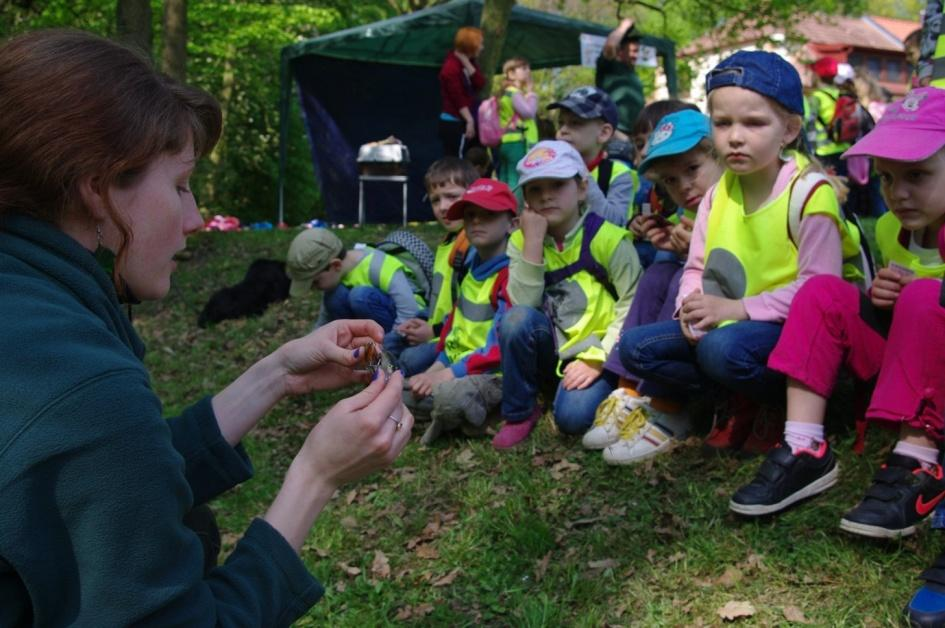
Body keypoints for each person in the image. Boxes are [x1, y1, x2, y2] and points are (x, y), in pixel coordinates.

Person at [0, 29, 414, 625]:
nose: (196, 219)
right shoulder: (81, 387)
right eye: (179, 185)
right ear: (97, 188)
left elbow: (107, 490)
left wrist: (276, 375)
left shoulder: (29, 322)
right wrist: (316, 474)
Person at [618, 50, 856, 460]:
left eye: (754, 122)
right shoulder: (718, 193)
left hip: (796, 331)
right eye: (723, 123)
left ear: (789, 129)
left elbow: (821, 293)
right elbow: (695, 267)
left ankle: (778, 405)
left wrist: (737, 308)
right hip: (733, 319)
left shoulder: (809, 195)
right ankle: (733, 398)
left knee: (721, 350)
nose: (735, 136)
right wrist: (688, 309)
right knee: (636, 348)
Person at [729, 88, 945, 526]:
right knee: (822, 291)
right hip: (909, 367)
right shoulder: (888, 228)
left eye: (917, 176)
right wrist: (885, 299)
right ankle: (805, 444)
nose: (898, 193)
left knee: (924, 296)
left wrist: (922, 294)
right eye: (887, 178)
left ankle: (920, 462)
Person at [585, 110, 724, 464]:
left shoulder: (737, 202)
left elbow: (736, 273)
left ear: (719, 156)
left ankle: (666, 407)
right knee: (658, 274)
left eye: (692, 170)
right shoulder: (692, 213)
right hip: (707, 324)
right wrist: (674, 246)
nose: (683, 187)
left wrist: (695, 251)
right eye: (671, 181)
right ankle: (630, 393)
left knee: (675, 276)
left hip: (732, 326)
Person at [492, 140, 641, 449]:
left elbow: (632, 304)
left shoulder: (608, 239)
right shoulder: (521, 240)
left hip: (598, 350)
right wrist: (533, 242)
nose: (546, 195)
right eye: (535, 189)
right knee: (515, 318)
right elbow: (522, 308)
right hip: (551, 348)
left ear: (582, 188)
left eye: (557, 185)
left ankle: (593, 387)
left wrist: (597, 358)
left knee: (572, 420)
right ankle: (520, 412)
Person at [405, 179, 517, 444]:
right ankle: (450, 415)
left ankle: (483, 416)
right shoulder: (470, 266)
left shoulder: (511, 275)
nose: (476, 221)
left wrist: (444, 375)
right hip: (455, 368)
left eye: (488, 214)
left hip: (491, 376)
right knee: (396, 389)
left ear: (512, 224)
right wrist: (435, 369)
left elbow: (500, 348)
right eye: (470, 215)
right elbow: (453, 330)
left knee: (448, 399)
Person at [389, 157, 476, 375]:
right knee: (389, 338)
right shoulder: (447, 242)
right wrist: (420, 319)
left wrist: (433, 330)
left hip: (454, 339)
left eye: (452, 197)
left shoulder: (475, 246)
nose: (444, 207)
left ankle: (382, 379)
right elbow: (440, 299)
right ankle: (366, 370)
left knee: (409, 359)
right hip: (435, 330)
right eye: (436, 200)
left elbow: (471, 309)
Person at [286, 227, 426, 333]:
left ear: (336, 265)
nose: (314, 288)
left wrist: (390, 345)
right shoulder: (336, 277)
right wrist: (311, 344)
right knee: (334, 297)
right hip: (373, 323)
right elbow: (325, 319)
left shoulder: (377, 266)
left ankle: (378, 352)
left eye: (315, 282)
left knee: (360, 296)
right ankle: (355, 345)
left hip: (407, 323)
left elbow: (409, 310)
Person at [549, 86, 640, 228]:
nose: (563, 130)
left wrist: (580, 169)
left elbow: (615, 223)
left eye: (575, 123)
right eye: (561, 123)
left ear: (603, 133)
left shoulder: (619, 175)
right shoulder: (548, 171)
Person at [626, 99, 701, 267]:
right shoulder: (645, 190)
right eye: (640, 144)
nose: (645, 152)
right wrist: (635, 224)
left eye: (655, 141)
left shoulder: (697, 193)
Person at [438, 26, 485, 158]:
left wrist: (465, 61)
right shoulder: (450, 68)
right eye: (480, 44)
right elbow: (457, 97)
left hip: (464, 119)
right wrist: (469, 120)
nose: (482, 48)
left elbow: (480, 82)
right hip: (454, 121)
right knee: (456, 159)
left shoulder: (468, 62)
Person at [595, 17, 645, 141]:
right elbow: (610, 45)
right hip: (615, 132)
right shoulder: (609, 66)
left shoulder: (633, 74)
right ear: (620, 51)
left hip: (635, 134)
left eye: (637, 51)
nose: (636, 55)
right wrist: (624, 26)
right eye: (633, 51)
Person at [496, 57, 539, 188]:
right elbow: (528, 113)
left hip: (504, 141)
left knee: (504, 178)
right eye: (524, 68)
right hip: (517, 141)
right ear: (511, 73)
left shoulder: (504, 93)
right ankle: (514, 208)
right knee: (516, 181)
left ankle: (500, 208)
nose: (528, 71)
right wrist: (531, 93)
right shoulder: (514, 92)